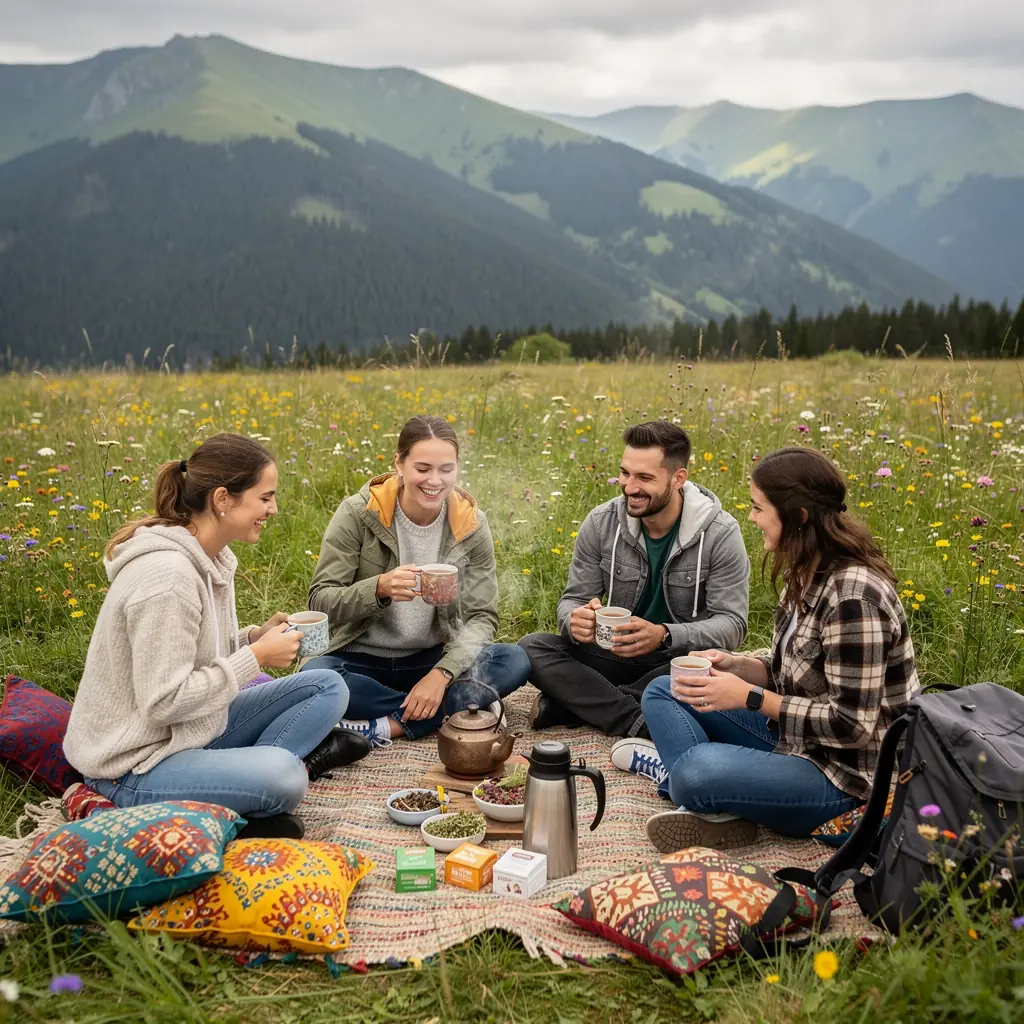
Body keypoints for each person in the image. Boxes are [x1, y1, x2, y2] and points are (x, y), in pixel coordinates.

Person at [614, 446, 920, 852]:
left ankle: (691, 782)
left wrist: (750, 698)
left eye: (759, 508)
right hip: (798, 740)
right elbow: (799, 671)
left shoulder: (854, 598)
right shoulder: (808, 570)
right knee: (666, 688)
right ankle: (722, 800)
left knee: (694, 772)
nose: (752, 518)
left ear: (799, 517)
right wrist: (741, 666)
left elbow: (852, 726)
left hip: (848, 779)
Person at [64, 433, 369, 840]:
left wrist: (251, 638)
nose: (273, 509)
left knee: (327, 685)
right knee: (285, 777)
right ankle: (253, 792)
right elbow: (163, 701)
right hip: (134, 765)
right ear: (223, 499)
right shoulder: (168, 579)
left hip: (190, 732)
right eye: (265, 497)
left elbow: (197, 656)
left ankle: (238, 784)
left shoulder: (210, 559)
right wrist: (256, 657)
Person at [304, 415, 530, 745]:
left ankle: (385, 726)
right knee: (315, 677)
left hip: (431, 659)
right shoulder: (358, 512)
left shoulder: (470, 523)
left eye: (446, 469)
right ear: (399, 463)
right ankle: (455, 709)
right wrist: (378, 588)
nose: (434, 481)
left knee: (515, 660)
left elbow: (483, 617)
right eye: (422, 468)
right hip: (360, 659)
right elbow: (320, 599)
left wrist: (442, 674)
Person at [518, 420, 750, 738]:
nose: (629, 487)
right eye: (625, 473)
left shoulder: (721, 533)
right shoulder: (601, 523)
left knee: (707, 670)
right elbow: (573, 599)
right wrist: (574, 620)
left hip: (675, 660)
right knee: (532, 647)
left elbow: (732, 625)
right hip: (613, 653)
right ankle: (636, 720)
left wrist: (664, 634)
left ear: (677, 478)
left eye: (644, 478)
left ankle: (574, 705)